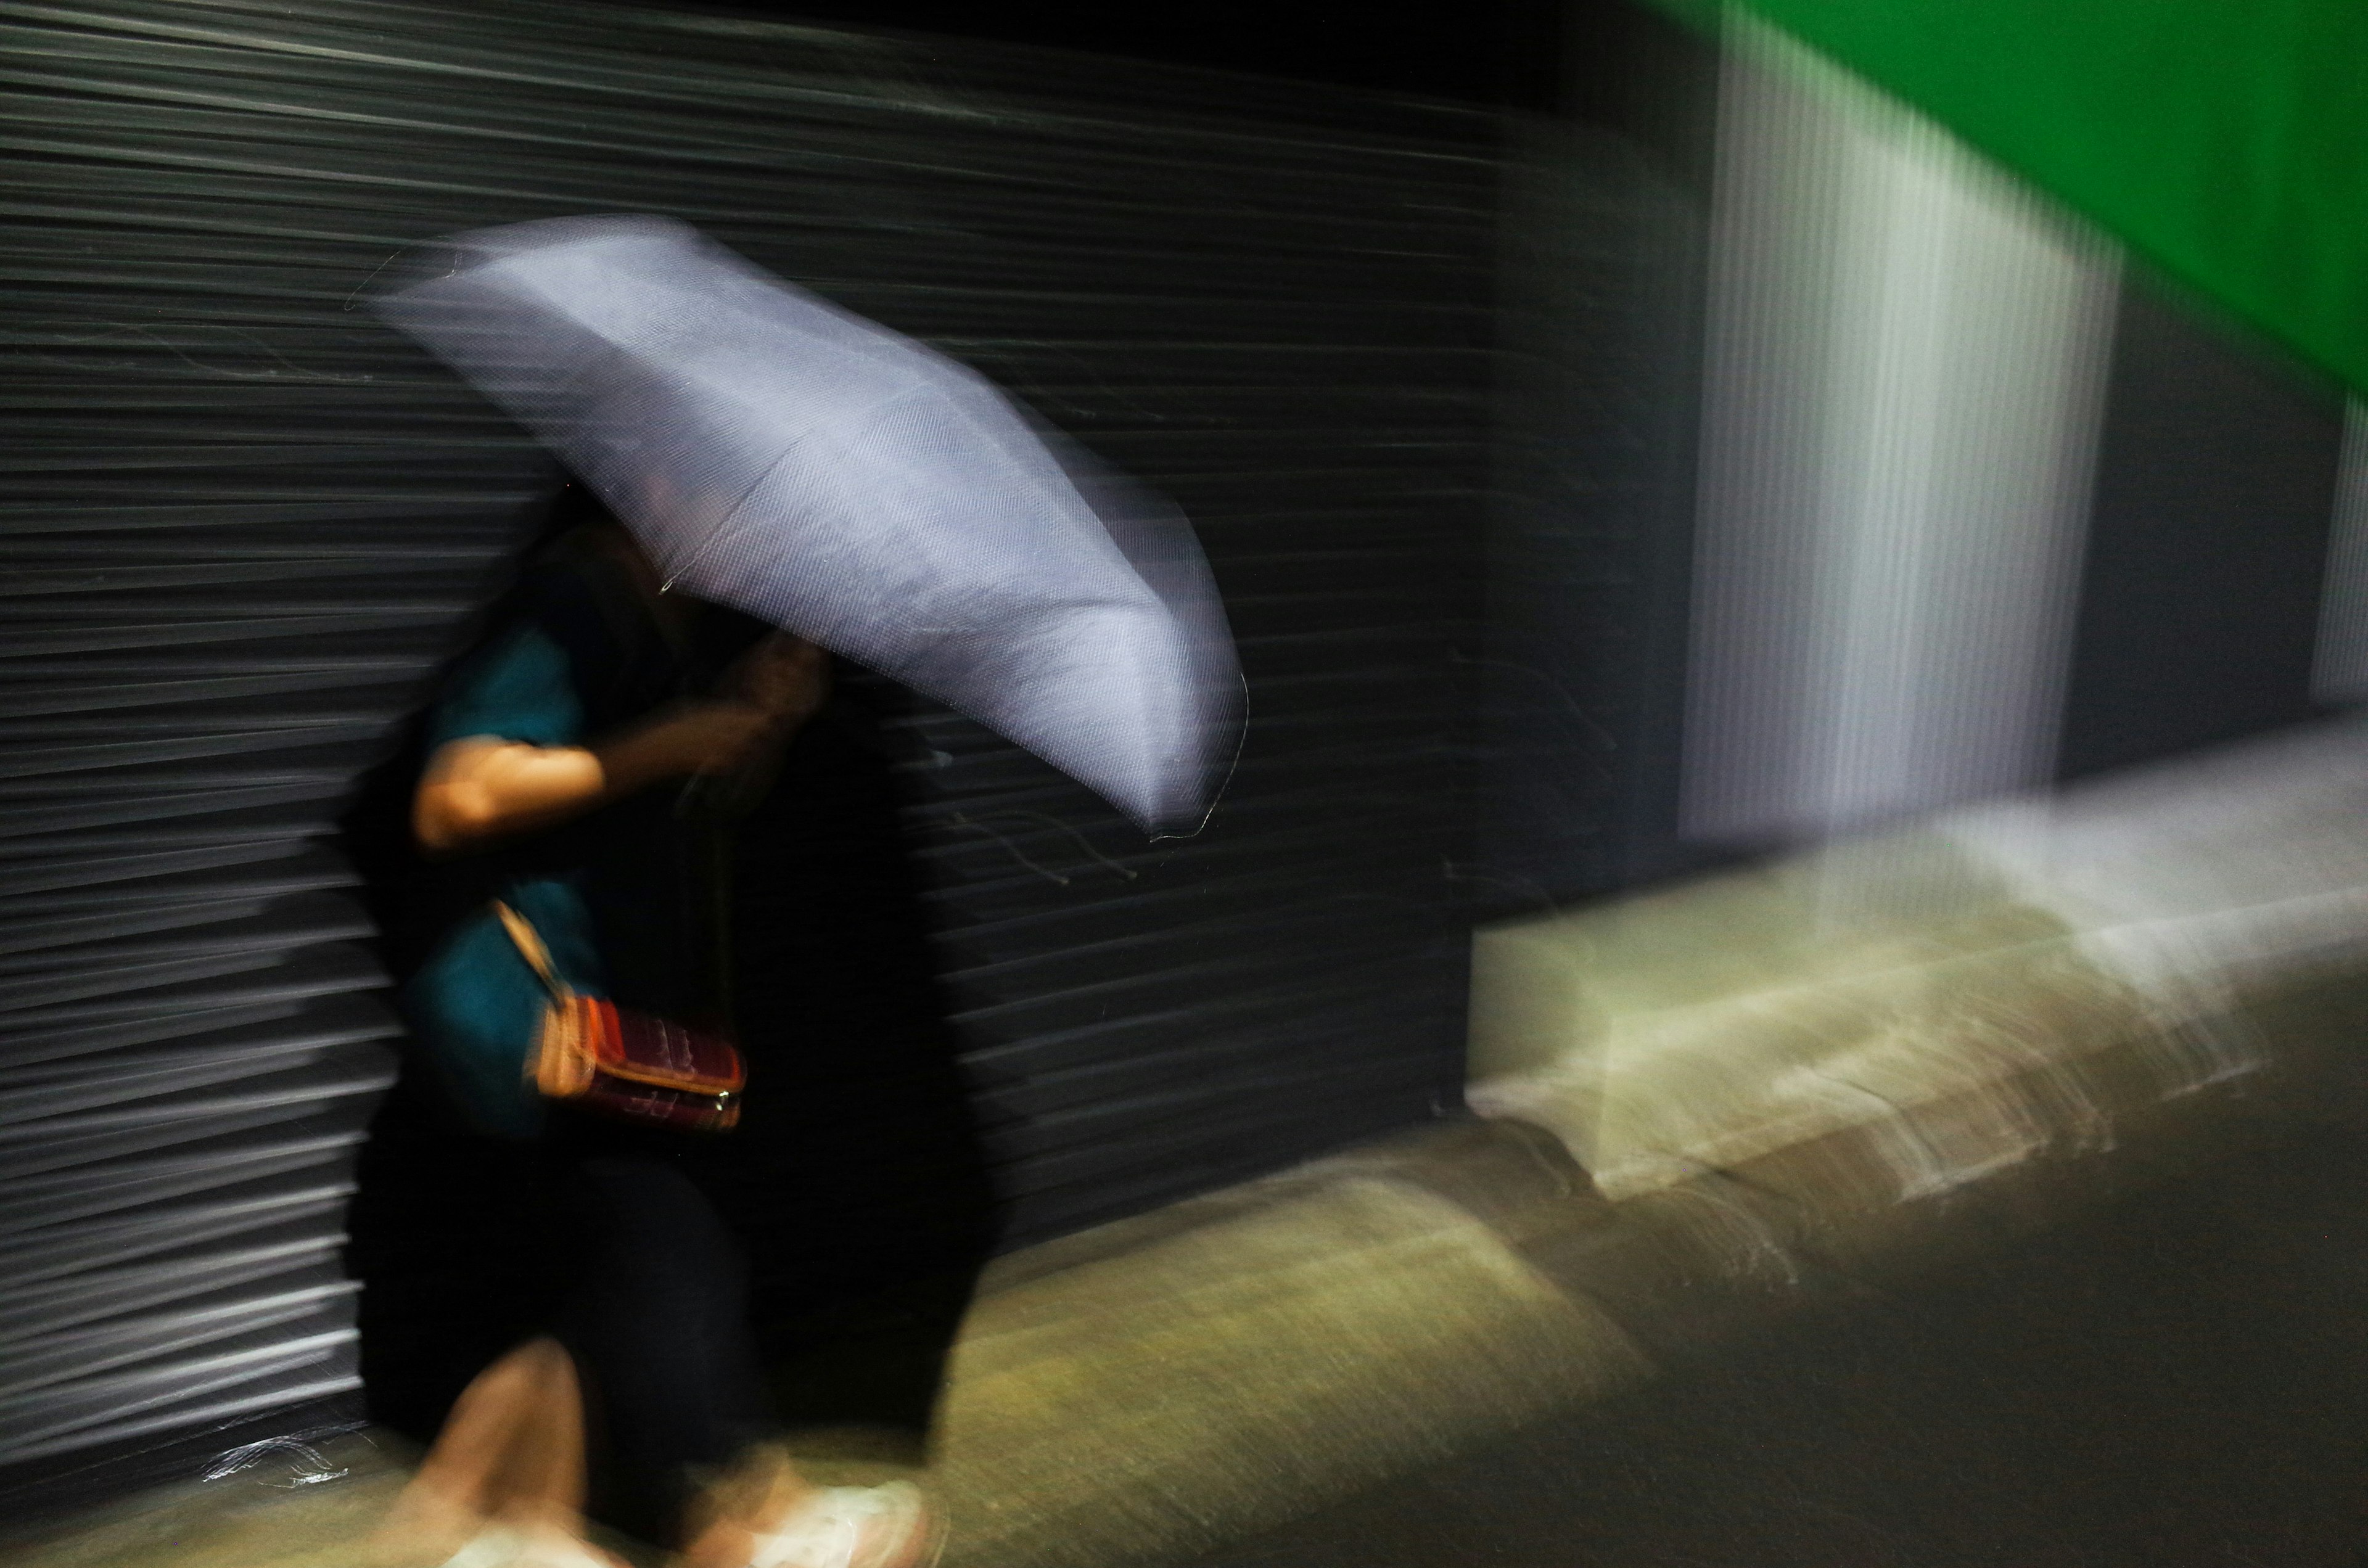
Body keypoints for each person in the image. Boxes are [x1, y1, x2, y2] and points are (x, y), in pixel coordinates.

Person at [347, 483, 934, 1568]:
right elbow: (456, 797)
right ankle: (748, 1520)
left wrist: (757, 718)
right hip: (538, 1017)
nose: (765, 540)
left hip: (606, 1015)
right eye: (750, 513)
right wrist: (669, 742)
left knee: (589, 1279)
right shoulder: (576, 597)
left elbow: (660, 810)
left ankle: (507, 1529)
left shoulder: (665, 613)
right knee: (670, 1238)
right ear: (660, 489)